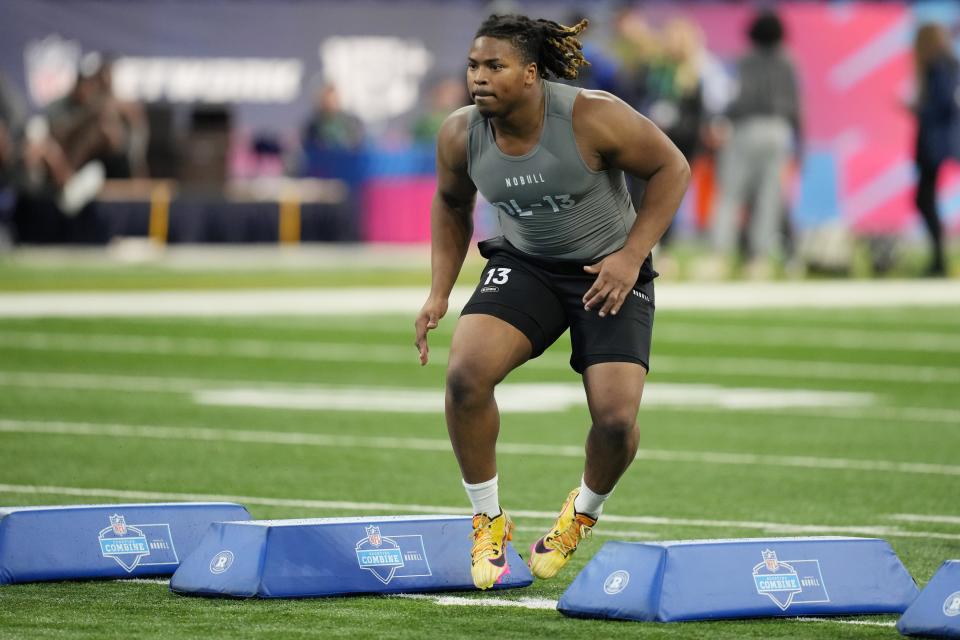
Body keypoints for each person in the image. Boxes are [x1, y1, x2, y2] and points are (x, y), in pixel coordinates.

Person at [413, 14, 690, 590]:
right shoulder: (460, 133)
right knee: (466, 376)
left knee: (615, 422)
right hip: (526, 266)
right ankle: (488, 521)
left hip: (609, 271)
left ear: (532, 73)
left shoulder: (591, 114)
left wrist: (631, 255)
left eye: (495, 66)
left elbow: (672, 167)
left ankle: (582, 511)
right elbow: (450, 202)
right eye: (472, 66)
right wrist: (439, 290)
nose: (478, 78)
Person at [707, 9, 801, 279]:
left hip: (746, 128)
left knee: (730, 194)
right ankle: (758, 260)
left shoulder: (746, 61)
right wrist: (799, 143)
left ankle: (719, 255)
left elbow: (738, 98)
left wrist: (722, 118)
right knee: (769, 198)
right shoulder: (789, 62)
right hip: (779, 131)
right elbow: (797, 107)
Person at [912, 23, 956, 277]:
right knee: (925, 198)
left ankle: (938, 260)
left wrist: (918, 108)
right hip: (940, 141)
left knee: (924, 198)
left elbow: (942, 104)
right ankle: (938, 259)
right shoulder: (948, 64)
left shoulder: (938, 66)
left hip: (935, 142)